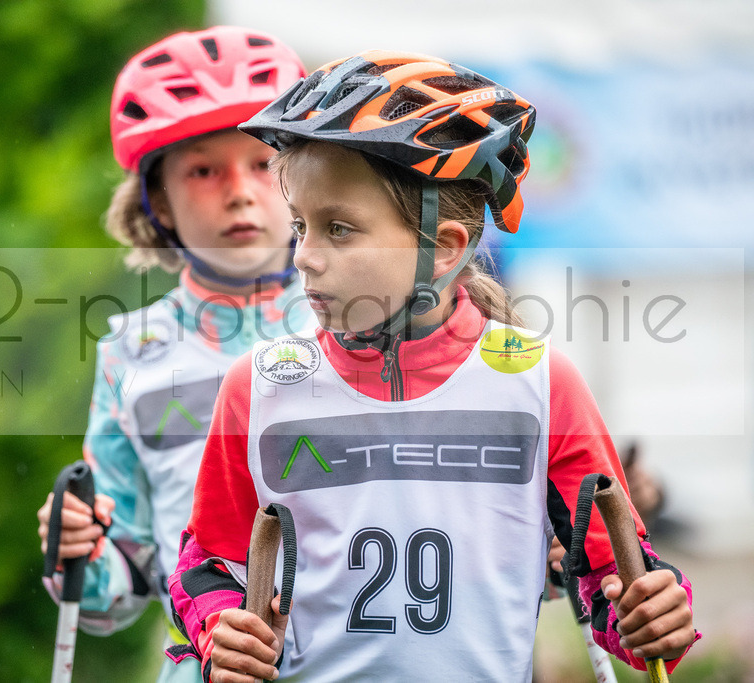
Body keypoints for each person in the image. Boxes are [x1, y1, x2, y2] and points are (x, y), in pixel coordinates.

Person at [168, 51, 699, 682]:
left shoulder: (538, 384)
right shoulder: (259, 388)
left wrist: (655, 614)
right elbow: (206, 566)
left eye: (339, 230)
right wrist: (219, 628)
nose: (304, 258)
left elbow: (612, 578)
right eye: (301, 226)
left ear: (444, 249)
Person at [34, 26, 313, 682]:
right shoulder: (129, 354)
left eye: (263, 163)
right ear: (157, 200)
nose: (240, 190)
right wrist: (75, 548)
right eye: (204, 169)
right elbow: (114, 590)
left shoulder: (373, 324)